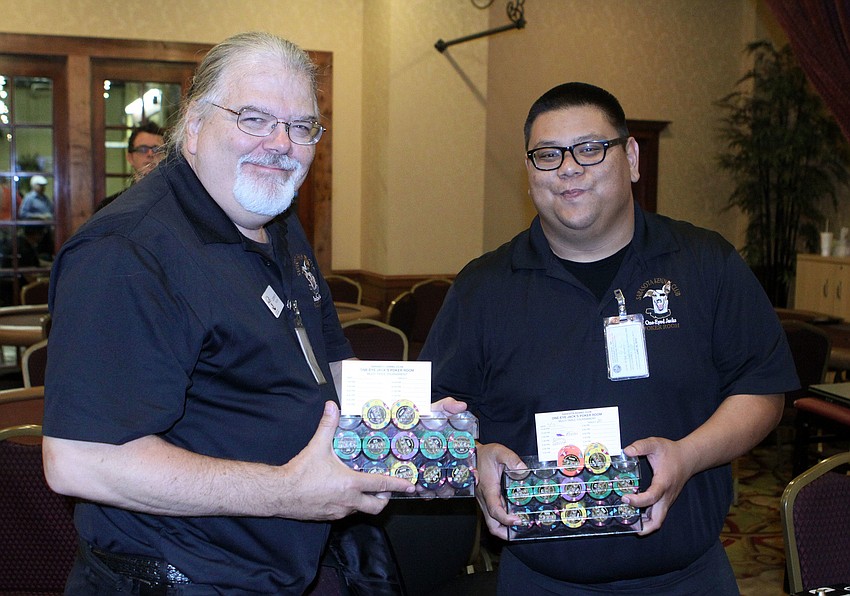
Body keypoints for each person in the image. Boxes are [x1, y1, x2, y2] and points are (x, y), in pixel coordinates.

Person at [42, 32, 423, 594]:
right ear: (193, 126)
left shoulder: (277, 220)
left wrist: (413, 426)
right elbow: (81, 461)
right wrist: (287, 491)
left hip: (286, 569)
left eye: (301, 127)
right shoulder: (127, 252)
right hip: (175, 580)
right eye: (254, 118)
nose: (281, 145)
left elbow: (328, 368)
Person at [420, 82, 799, 594]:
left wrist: (687, 456)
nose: (568, 168)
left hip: (689, 578)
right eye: (547, 155)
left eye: (590, 148)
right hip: (541, 581)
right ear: (529, 171)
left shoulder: (706, 263)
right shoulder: (482, 288)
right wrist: (473, 454)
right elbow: (431, 418)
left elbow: (762, 389)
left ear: (632, 157)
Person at [96, 121, 166, 211]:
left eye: (157, 149)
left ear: (165, 156)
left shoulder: (177, 204)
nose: (150, 154)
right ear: (130, 157)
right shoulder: (109, 206)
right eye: (143, 149)